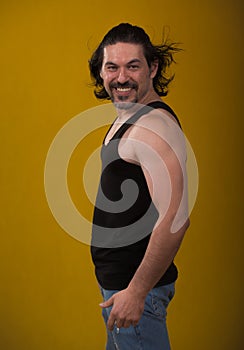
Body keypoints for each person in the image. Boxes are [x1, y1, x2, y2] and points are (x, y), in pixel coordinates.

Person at [89, 23, 190, 350]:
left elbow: (176, 221)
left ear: (153, 67)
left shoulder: (154, 127)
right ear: (101, 72)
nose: (121, 78)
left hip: (137, 297)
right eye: (112, 67)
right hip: (120, 293)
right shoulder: (131, 115)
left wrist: (137, 292)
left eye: (133, 66)